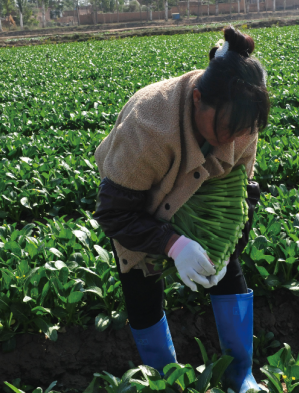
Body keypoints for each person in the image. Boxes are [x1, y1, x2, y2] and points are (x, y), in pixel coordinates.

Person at [93, 25, 270, 393]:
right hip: (143, 200)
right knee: (140, 282)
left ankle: (242, 376)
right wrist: (174, 245)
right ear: (196, 99)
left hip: (205, 191)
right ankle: (166, 382)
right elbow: (114, 213)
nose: (230, 140)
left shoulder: (243, 121)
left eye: (241, 131)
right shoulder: (148, 125)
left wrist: (227, 246)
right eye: (223, 128)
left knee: (225, 267)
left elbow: (243, 189)